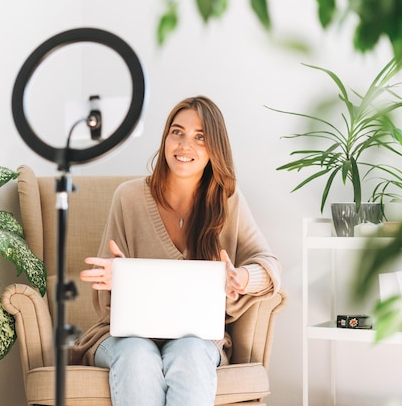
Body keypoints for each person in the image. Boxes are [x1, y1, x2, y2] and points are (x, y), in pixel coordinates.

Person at [70, 96, 281, 406]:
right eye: (177, 132)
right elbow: (106, 304)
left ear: (215, 149)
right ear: (165, 137)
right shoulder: (128, 197)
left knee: (191, 355)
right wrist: (121, 280)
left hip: (196, 340)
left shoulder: (227, 202)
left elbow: (269, 266)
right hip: (125, 339)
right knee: (137, 357)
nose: (184, 145)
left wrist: (241, 278)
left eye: (200, 138)